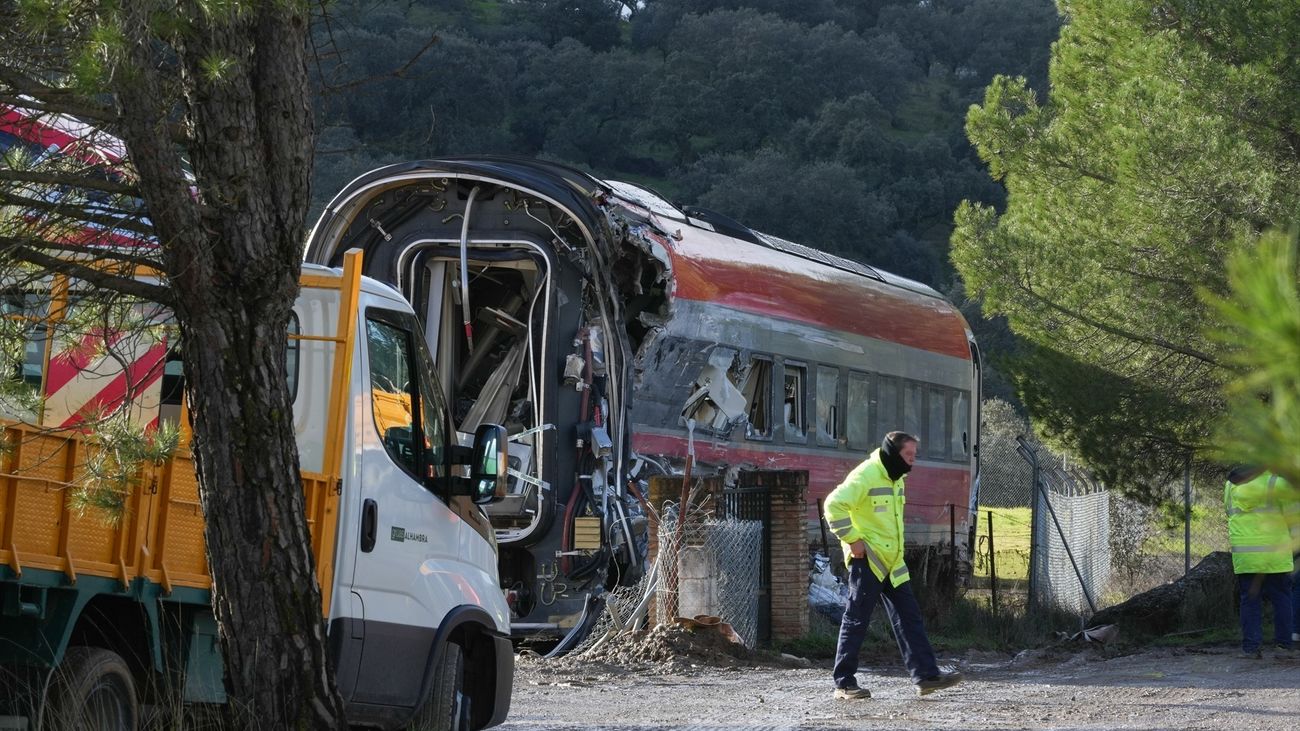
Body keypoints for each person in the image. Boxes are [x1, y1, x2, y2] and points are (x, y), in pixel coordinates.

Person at [823, 431, 962, 699]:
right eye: (909, 455)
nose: (913, 461)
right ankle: (844, 683)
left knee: (910, 618)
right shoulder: (866, 475)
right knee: (856, 620)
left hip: (893, 564)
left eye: (914, 456)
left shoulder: (896, 478)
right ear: (892, 453)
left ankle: (926, 677)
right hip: (869, 562)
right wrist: (852, 540)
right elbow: (833, 505)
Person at [1224, 465, 1294, 657]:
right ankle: (1283, 646)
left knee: (1249, 600)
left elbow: (1229, 512)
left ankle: (1251, 649)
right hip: (1275, 555)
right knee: (1281, 599)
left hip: (1245, 555)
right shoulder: (1276, 483)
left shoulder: (1231, 484)